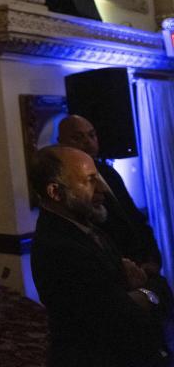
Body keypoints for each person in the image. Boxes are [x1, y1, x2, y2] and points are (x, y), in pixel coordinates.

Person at [29, 145, 169, 366]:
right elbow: (121, 316)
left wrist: (140, 293)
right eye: (90, 180)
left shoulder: (89, 226)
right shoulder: (59, 247)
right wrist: (150, 291)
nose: (103, 189)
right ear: (55, 192)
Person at [57, 114, 164, 274]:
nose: (88, 142)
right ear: (62, 143)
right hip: (112, 272)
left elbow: (133, 217)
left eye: (92, 135)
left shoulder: (109, 172)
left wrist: (153, 258)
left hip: (144, 265)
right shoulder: (66, 184)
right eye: (78, 138)